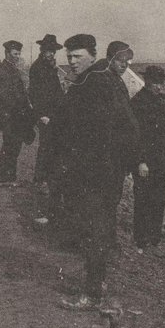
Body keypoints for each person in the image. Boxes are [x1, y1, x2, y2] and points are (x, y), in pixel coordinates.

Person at [50, 33, 146, 310]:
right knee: (99, 229)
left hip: (95, 172)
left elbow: (121, 126)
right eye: (68, 57)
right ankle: (98, 284)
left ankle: (91, 294)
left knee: (92, 230)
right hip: (103, 171)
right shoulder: (100, 79)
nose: (71, 61)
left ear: (92, 55)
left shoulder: (95, 83)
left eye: (77, 56)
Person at [130, 65, 165, 253]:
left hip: (159, 162)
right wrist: (140, 161)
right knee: (142, 201)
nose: (159, 86)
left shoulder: (158, 102)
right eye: (155, 82)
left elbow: (162, 136)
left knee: (158, 202)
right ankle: (140, 241)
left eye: (160, 83)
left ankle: (155, 240)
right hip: (145, 163)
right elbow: (135, 135)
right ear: (147, 81)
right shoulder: (137, 102)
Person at [28, 33, 65, 223]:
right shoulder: (37, 68)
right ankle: (41, 180)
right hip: (46, 116)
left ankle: (45, 179)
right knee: (46, 148)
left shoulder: (50, 67)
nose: (51, 54)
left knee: (50, 148)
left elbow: (56, 91)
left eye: (53, 51)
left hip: (54, 115)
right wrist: (41, 115)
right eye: (48, 51)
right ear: (43, 50)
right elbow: (34, 94)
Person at [0, 40, 34, 186]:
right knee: (10, 146)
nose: (18, 56)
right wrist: (21, 110)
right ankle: (5, 179)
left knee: (13, 146)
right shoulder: (3, 71)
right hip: (9, 115)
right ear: (7, 54)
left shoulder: (11, 68)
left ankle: (8, 177)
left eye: (19, 53)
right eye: (15, 54)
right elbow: (6, 97)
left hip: (14, 114)